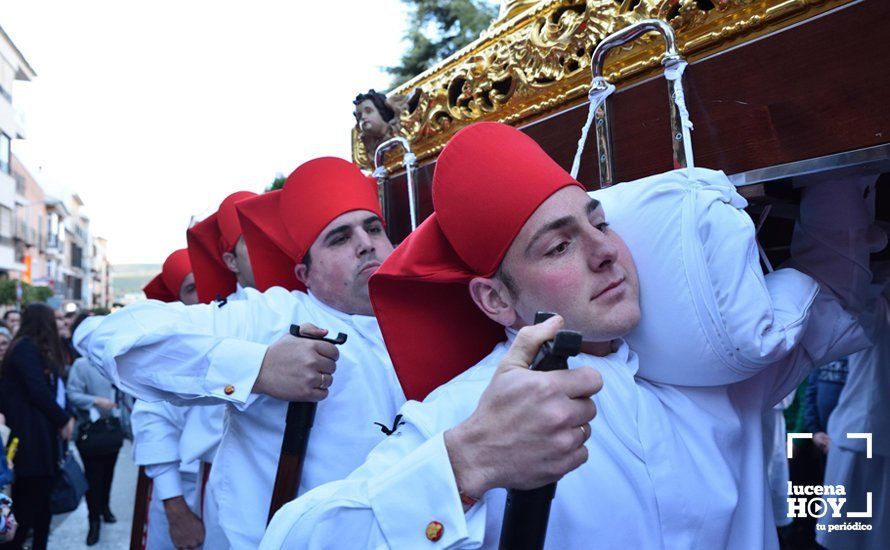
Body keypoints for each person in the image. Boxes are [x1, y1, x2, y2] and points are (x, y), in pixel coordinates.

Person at [260, 122, 876, 549]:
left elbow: (836, 285)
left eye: (600, 223)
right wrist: (468, 462)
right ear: (496, 300)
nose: (606, 252)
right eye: (559, 245)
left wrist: (841, 163)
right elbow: (295, 538)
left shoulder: (714, 362)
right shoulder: (473, 412)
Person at [76, 157, 407, 548]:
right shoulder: (270, 315)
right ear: (304, 274)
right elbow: (104, 336)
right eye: (339, 237)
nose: (366, 243)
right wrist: (259, 368)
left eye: (373, 228)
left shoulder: (431, 316)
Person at [131, 249, 207, 550]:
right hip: (184, 491)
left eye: (205, 281)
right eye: (191, 288)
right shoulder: (167, 348)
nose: (202, 294)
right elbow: (153, 425)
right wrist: (176, 510)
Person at [816, 263, 889, 550]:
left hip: (878, 441)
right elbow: (865, 295)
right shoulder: (875, 313)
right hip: (857, 437)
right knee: (844, 533)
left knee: (877, 534)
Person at [0, 303, 74, 550]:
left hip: (40, 442)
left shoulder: (30, 348)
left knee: (42, 508)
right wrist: (63, 419)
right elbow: (38, 391)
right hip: (30, 443)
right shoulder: (24, 349)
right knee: (27, 509)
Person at [66, 312, 124, 545]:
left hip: (113, 429)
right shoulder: (81, 364)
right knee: (93, 477)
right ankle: (94, 521)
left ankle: (105, 508)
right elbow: (73, 394)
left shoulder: (115, 360)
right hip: (91, 431)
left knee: (109, 473)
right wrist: (96, 401)